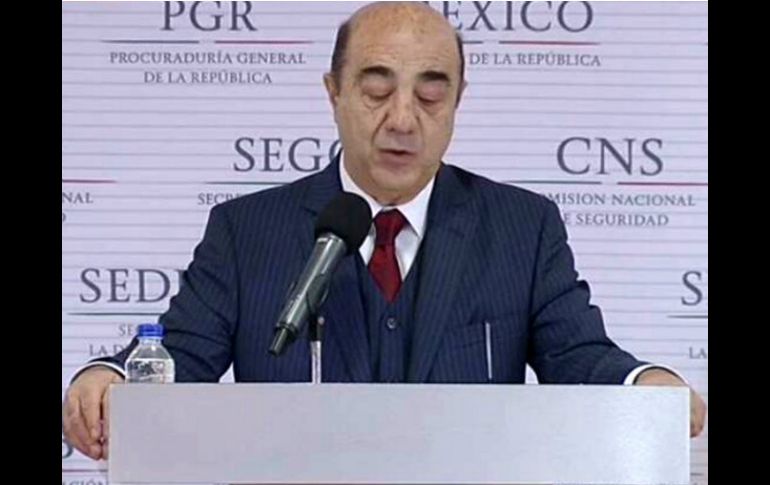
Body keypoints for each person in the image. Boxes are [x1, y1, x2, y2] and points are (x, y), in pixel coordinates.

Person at [62, 1, 706, 461]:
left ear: (458, 100)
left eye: (431, 94)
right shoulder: (246, 230)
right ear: (333, 93)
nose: (402, 119)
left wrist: (646, 386)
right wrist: (110, 378)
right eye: (376, 90)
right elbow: (182, 355)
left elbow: (578, 357)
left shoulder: (521, 227)